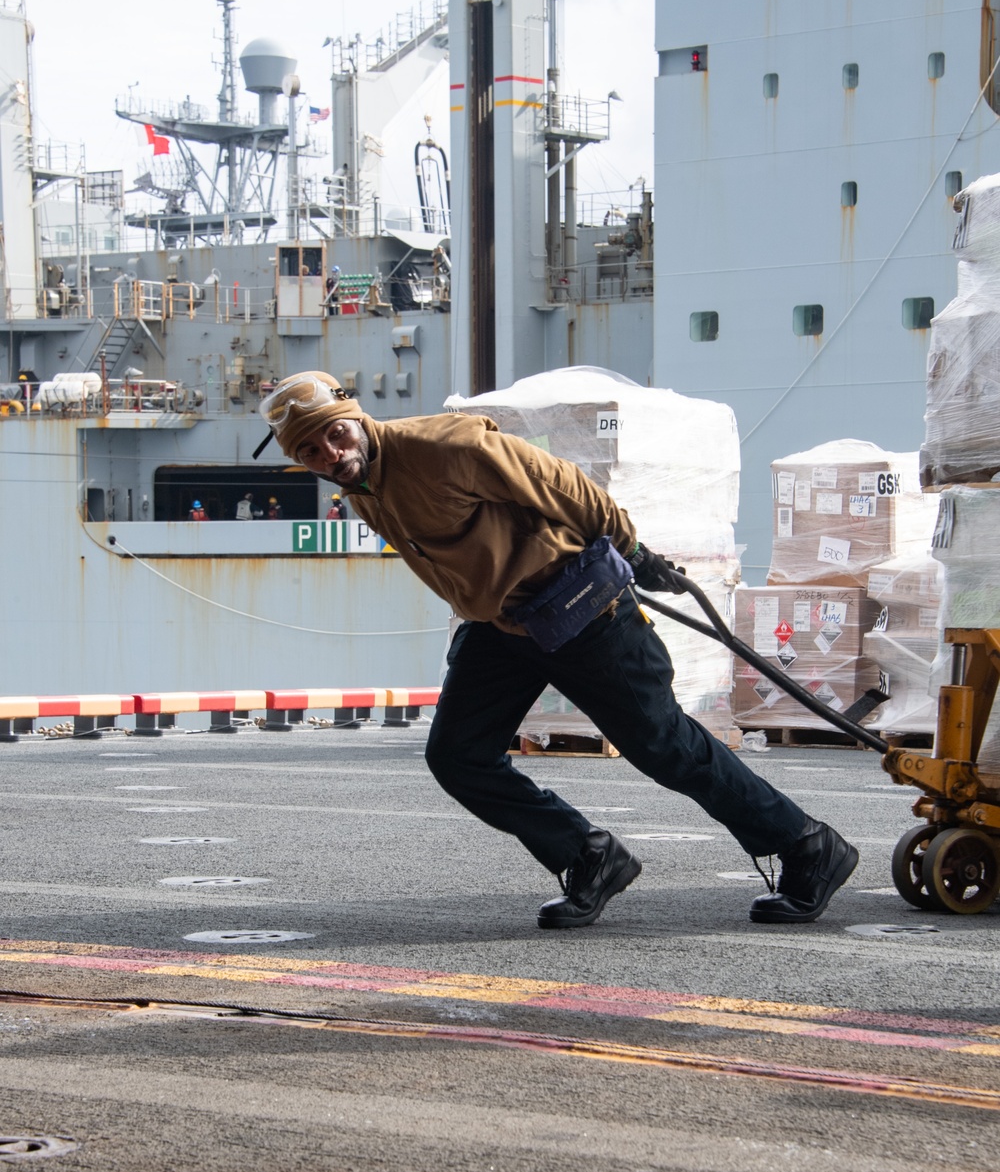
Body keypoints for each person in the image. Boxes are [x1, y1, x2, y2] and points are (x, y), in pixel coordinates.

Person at [258, 372, 858, 930]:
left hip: (578, 609)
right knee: (458, 756)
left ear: (356, 419)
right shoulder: (363, 485)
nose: (330, 453)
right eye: (311, 450)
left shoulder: (446, 447)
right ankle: (589, 856)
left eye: (335, 434)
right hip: (500, 626)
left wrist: (632, 550)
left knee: (665, 747)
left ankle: (806, 844)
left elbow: (562, 485)